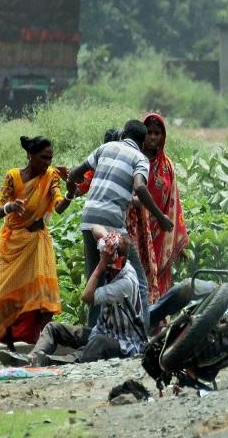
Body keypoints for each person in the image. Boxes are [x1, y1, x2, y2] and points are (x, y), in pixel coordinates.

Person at [69, 120, 174, 331]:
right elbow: (140, 188)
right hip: (112, 226)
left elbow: (74, 174)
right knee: (140, 282)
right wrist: (161, 218)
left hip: (88, 220)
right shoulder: (140, 159)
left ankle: (93, 338)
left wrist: (71, 189)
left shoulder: (105, 148)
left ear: (123, 133)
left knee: (95, 280)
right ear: (143, 142)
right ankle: (142, 338)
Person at [0, 228, 147, 366]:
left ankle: (51, 362)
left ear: (115, 260)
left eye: (104, 256)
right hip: (102, 331)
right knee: (53, 328)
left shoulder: (125, 282)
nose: (100, 257)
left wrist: (101, 265)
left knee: (98, 343)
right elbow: (95, 227)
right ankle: (34, 357)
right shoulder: (116, 263)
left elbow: (87, 297)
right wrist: (107, 238)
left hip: (124, 342)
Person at [0, 136, 75, 350]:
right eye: (43, 158)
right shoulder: (13, 177)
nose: (47, 163)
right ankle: (10, 344)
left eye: (50, 158)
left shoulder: (51, 177)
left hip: (38, 243)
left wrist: (71, 191)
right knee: (3, 296)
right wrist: (9, 208)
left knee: (43, 298)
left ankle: (42, 346)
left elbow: (58, 205)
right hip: (13, 245)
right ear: (30, 155)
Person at [127, 113, 188, 304]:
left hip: (160, 232)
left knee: (159, 278)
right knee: (136, 276)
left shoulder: (167, 166)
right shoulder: (135, 161)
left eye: (157, 133)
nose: (153, 137)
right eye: (149, 133)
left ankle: (158, 323)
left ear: (163, 136)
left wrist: (178, 238)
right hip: (137, 228)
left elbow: (173, 201)